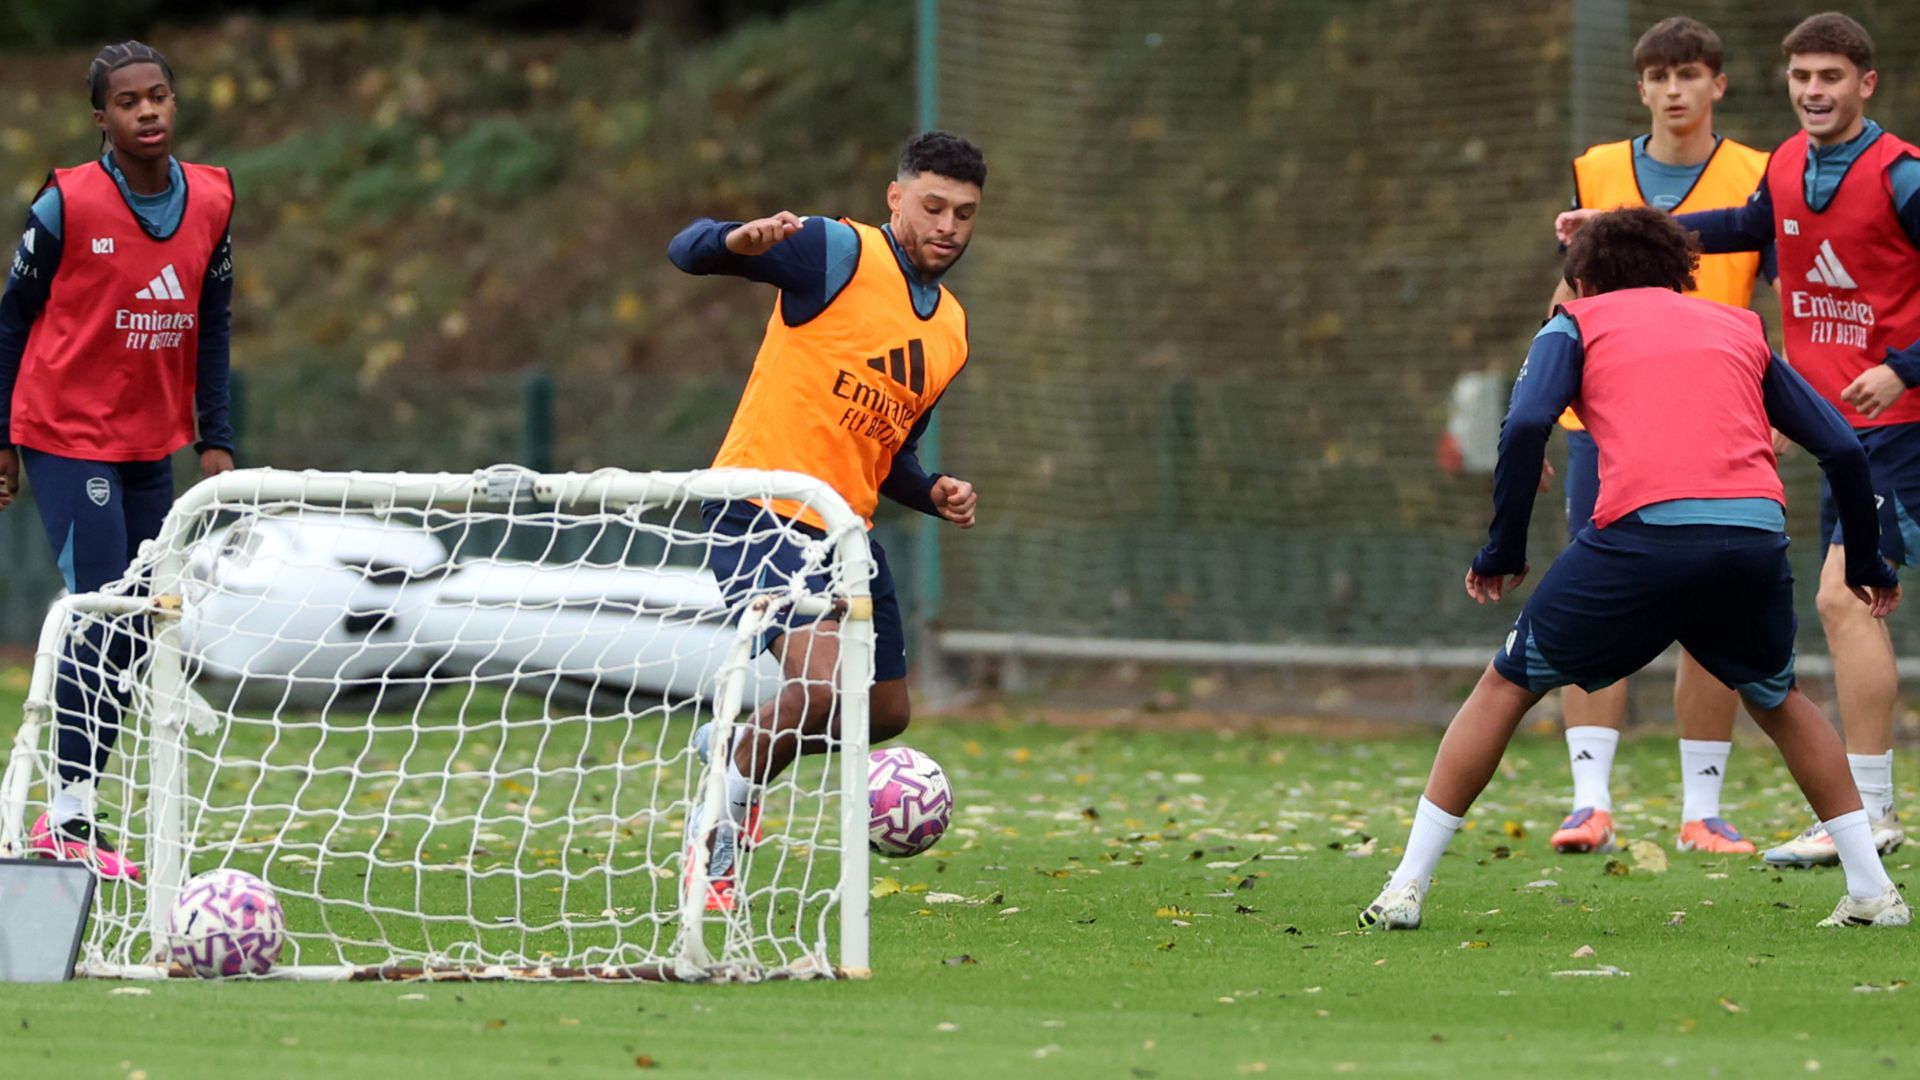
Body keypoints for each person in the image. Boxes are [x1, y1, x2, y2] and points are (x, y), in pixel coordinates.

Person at [1360, 207, 1908, 932]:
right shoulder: (1739, 326)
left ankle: (1405, 885)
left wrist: (1503, 552)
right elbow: (1839, 447)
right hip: (1753, 539)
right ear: (1679, 275)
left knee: (1506, 683)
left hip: (1644, 538)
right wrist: (1867, 559)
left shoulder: (1575, 324)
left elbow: (1524, 426)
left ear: (1583, 282)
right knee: (1778, 699)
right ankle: (1873, 891)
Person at [1559, 12, 1918, 867]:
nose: (1814, 91)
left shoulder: (1902, 176)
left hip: (1899, 425)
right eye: (1801, 77)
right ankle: (1870, 810)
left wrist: (1904, 369)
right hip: (1845, 433)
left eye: (1831, 77)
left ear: (1866, 84)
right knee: (1848, 602)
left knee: (1844, 601)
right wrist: (1616, 226)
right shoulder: (1788, 166)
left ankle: (1870, 810)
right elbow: (1727, 227)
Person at [666, 130, 985, 909]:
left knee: (885, 714)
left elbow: (890, 451)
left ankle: (735, 745)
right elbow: (686, 250)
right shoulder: (835, 253)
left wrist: (933, 491)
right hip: (763, 507)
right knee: (816, 688)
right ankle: (716, 833)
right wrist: (735, 242)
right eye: (933, 206)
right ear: (896, 198)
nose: (947, 225)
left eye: (964, 213)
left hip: (845, 531)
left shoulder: (950, 331)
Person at [0, 41, 238, 881]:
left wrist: (215, 437)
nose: (148, 111)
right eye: (129, 101)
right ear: (101, 118)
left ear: (175, 103)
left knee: (138, 625)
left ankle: (73, 804)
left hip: (150, 441)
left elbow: (213, 320)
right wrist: (1, 435)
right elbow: (11, 319)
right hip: (64, 432)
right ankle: (67, 813)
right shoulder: (66, 204)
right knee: (102, 609)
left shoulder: (213, 198)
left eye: (158, 95)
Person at [1546, 17, 1776, 858]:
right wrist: (1535, 411)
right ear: (1640, 87)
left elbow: (1781, 298)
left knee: (1714, 606)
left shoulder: (1759, 175)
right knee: (1592, 598)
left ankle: (1702, 811)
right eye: (1660, 75)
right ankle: (1588, 802)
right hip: (1606, 425)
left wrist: (1783, 406)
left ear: (1718, 83)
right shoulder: (1598, 169)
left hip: (1716, 421)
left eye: (1690, 73)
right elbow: (1567, 295)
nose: (1675, 89)